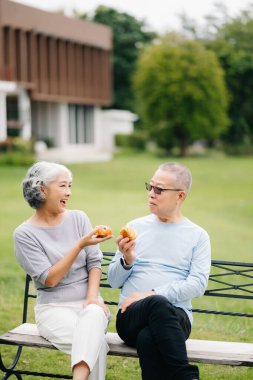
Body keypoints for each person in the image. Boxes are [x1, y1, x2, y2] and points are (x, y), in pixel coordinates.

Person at [107, 162, 211, 380]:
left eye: (159, 189)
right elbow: (114, 281)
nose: (151, 194)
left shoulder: (197, 235)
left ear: (180, 196)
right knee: (157, 305)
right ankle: (186, 376)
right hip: (130, 317)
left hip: (177, 319)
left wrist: (150, 294)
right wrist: (127, 259)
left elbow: (198, 284)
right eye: (150, 187)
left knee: (149, 337)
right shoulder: (136, 227)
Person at [14, 161, 112, 380]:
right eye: (62, 186)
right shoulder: (24, 234)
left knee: (94, 316)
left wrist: (91, 297)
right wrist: (79, 245)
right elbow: (50, 280)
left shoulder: (79, 218)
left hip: (89, 306)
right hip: (53, 309)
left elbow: (94, 262)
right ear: (42, 189)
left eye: (70, 186)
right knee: (94, 341)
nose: (68, 192)